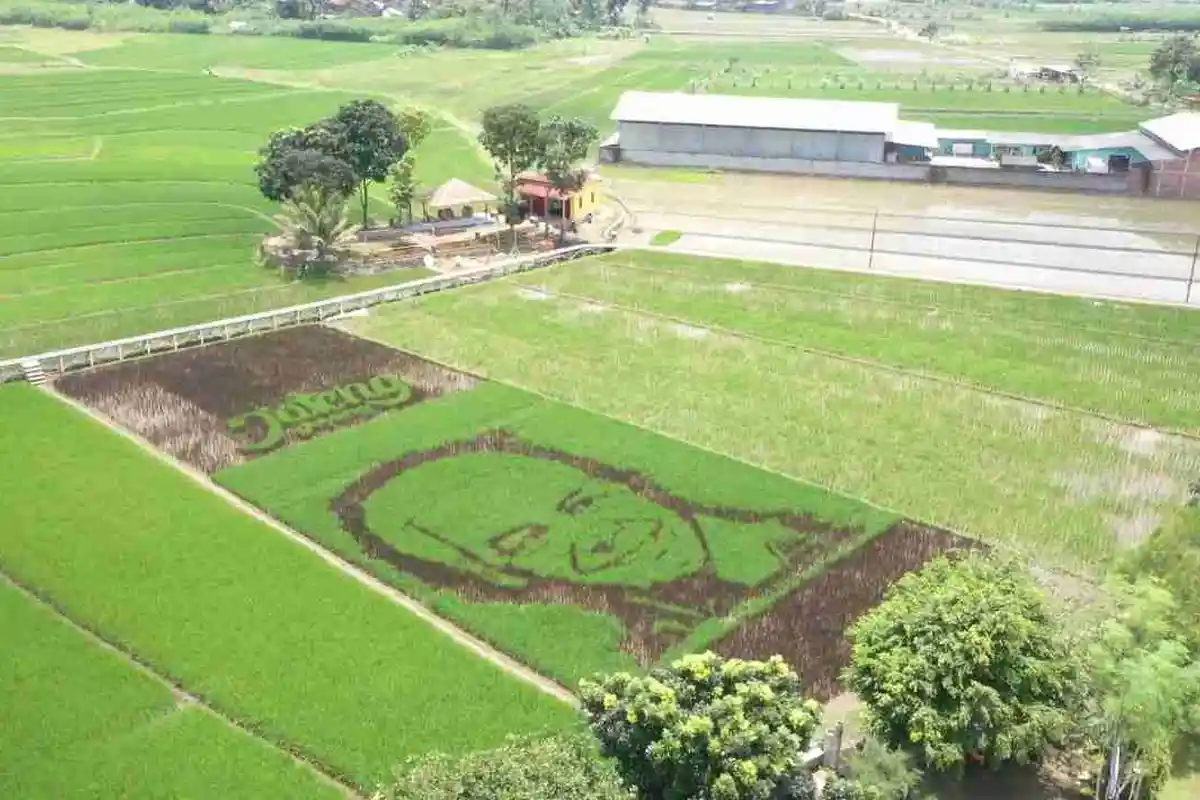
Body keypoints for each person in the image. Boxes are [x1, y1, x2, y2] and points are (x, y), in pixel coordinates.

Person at [331, 430, 860, 661]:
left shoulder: (811, 537)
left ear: (620, 480)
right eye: (527, 542)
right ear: (504, 576)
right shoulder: (658, 644)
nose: (598, 538)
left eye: (582, 503)